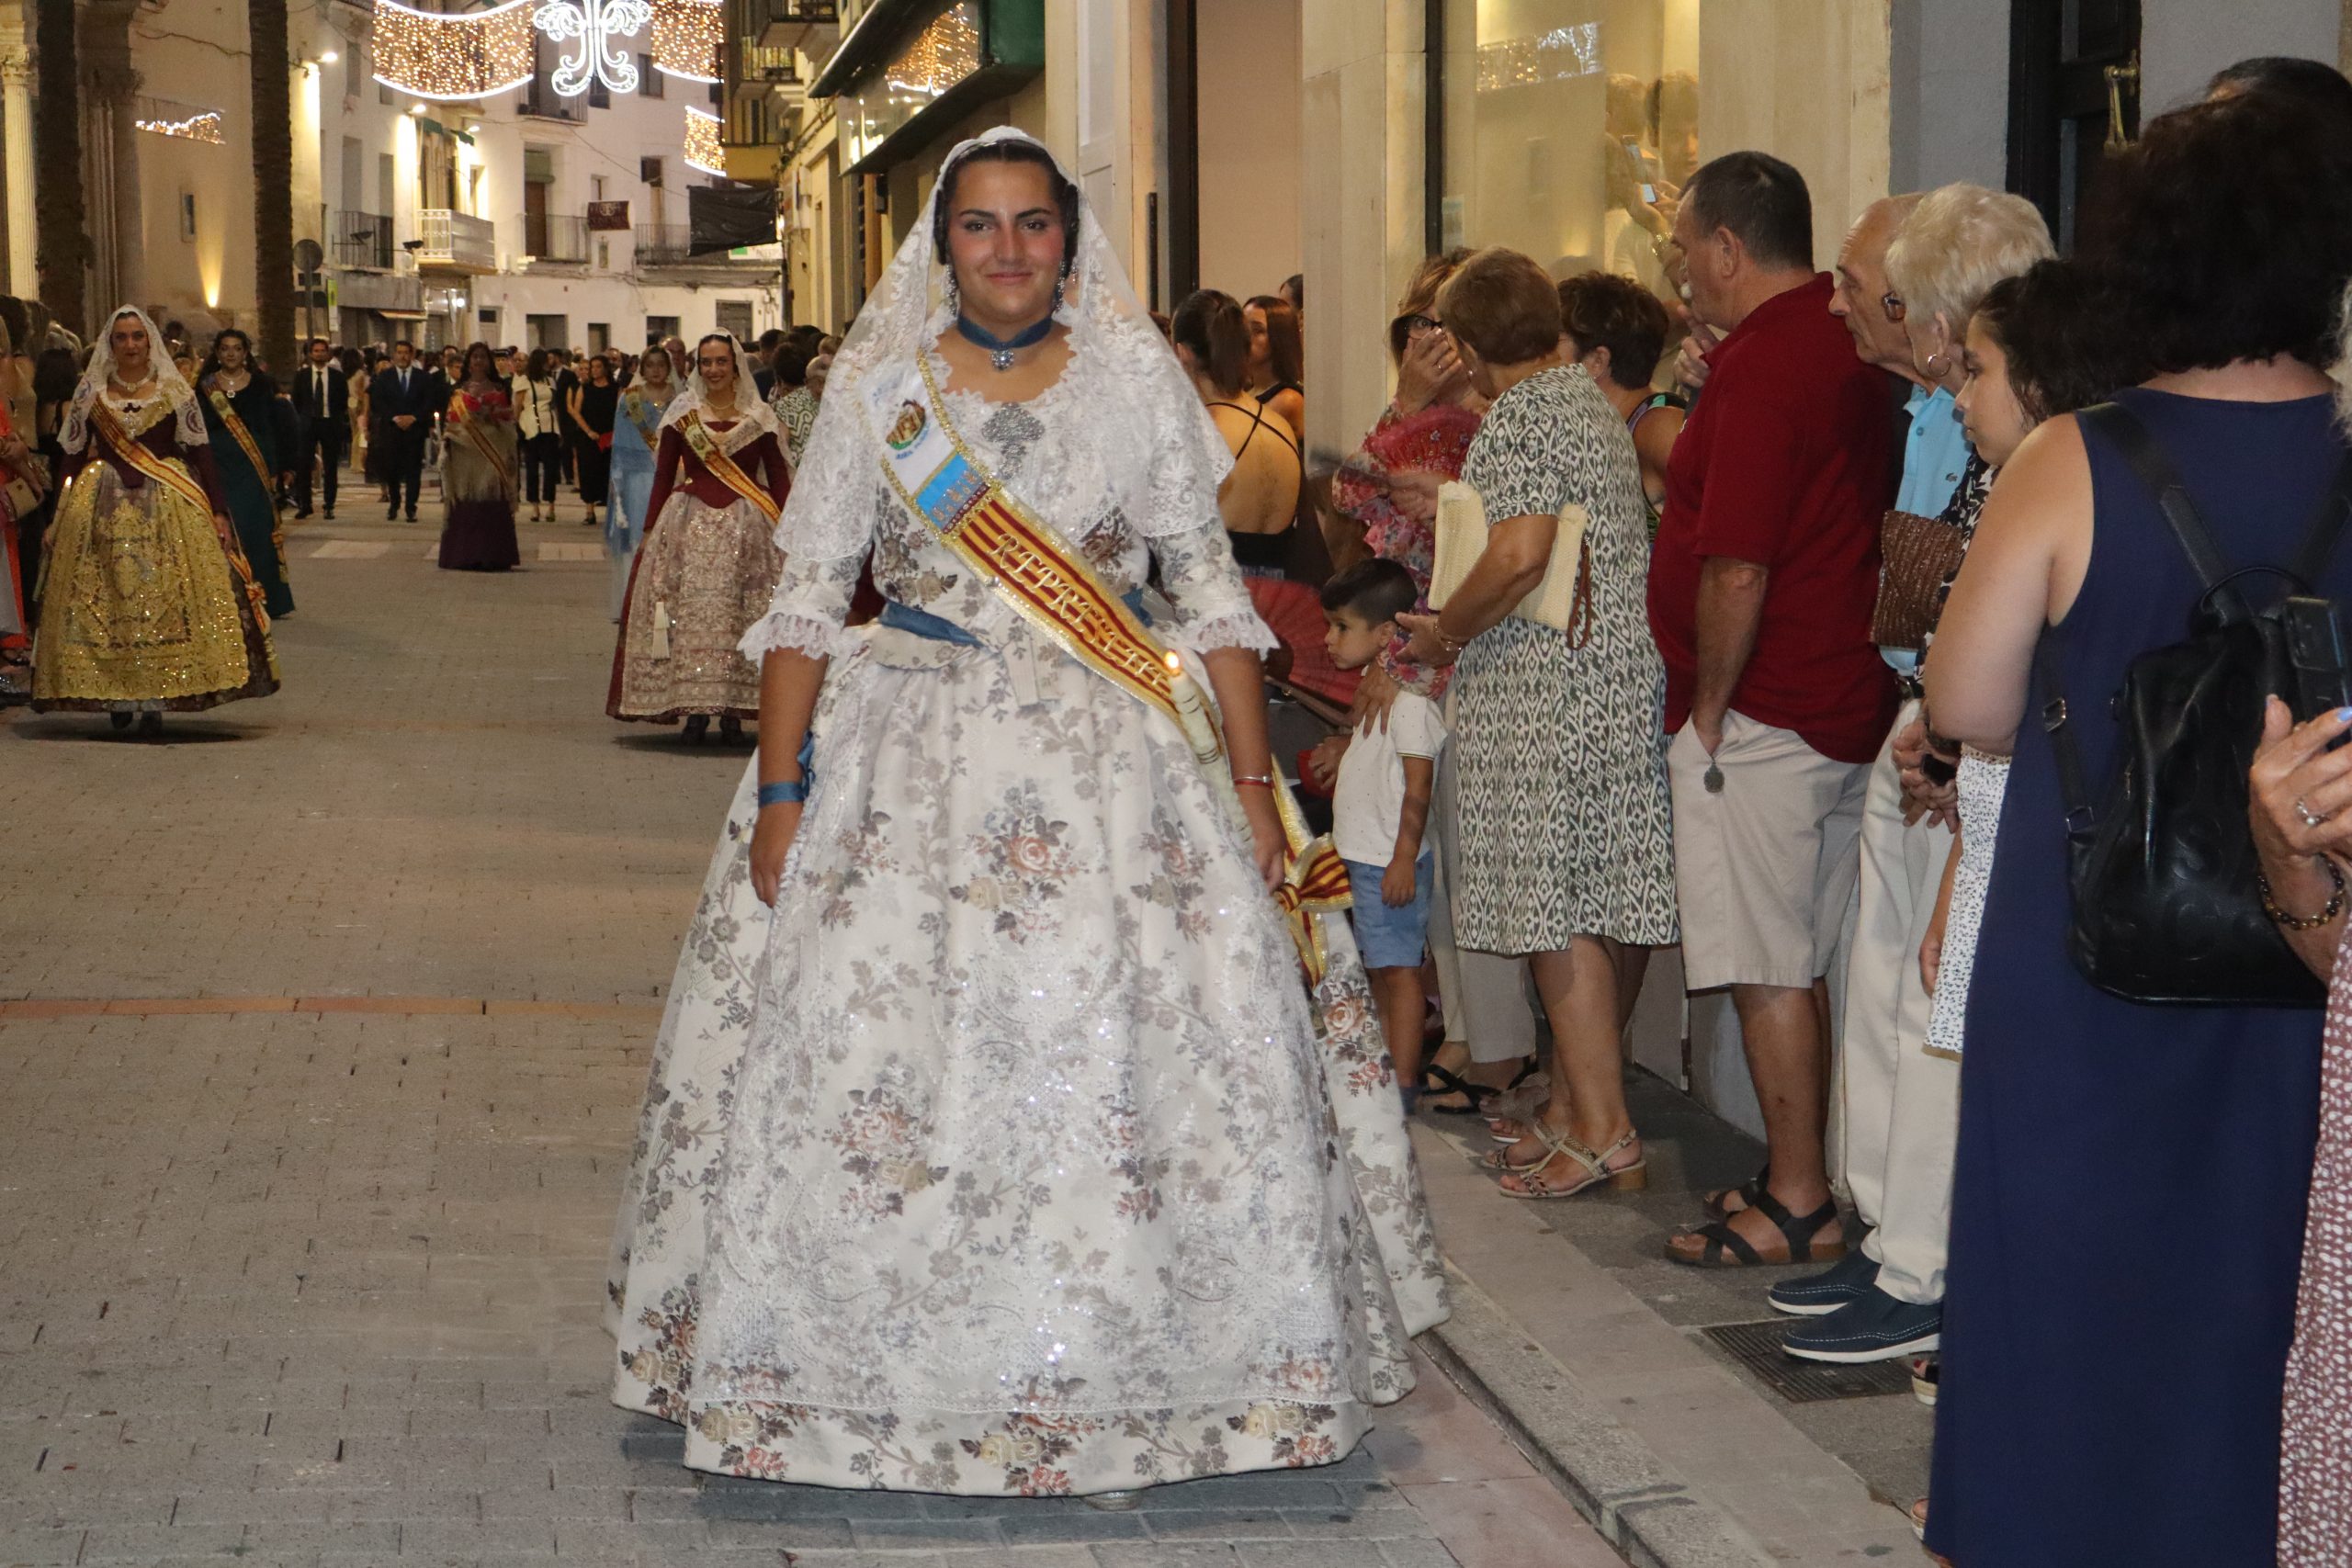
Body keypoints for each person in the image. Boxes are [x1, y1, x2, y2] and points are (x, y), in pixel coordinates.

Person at [605, 127, 1444, 1495]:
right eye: (981, 224)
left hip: (1117, 763)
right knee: (877, 1060)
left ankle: (1164, 1367)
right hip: (903, 759)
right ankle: (851, 1370)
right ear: (942, 243)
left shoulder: (1135, 381)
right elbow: (808, 599)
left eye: (1034, 223)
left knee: (1128, 1054)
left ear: (1069, 237)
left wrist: (1250, 788)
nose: (1009, 249)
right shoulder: (881, 390)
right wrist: (781, 788)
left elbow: (1210, 596)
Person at [1924, 95, 2352, 1566]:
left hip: (2089, 952)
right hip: (2317, 956)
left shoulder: (2074, 455)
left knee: (2064, 1286)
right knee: (2275, 1281)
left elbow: (1966, 703)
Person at [1770, 184, 2052, 1365]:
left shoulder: (2033, 439)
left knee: (1937, 1005)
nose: (1856, 308)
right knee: (1885, 992)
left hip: (1969, 748)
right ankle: (1888, 1237)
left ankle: (1925, 1269)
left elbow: (1996, 605)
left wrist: (1947, 731)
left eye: (1880, 294)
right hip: (1922, 723)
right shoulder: (1937, 413)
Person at [1648, 152, 1896, 1269]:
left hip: (1771, 708)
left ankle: (1797, 1198)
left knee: (1767, 964)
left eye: (1681, 246)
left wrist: (1709, 710)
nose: (1678, 268)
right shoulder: (1839, 340)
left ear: (1725, 247)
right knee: (1804, 951)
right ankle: (1813, 1174)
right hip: (1841, 692)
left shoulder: (1766, 362)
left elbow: (1737, 561)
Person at [1395, 244, 1677, 1199]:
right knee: (1588, 910)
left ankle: (1603, 1131)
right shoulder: (1583, 403)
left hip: (1545, 695)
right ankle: (1576, 1112)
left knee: (1553, 919)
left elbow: (1519, 555)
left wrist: (1444, 632)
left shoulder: (1519, 414)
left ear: (1473, 349)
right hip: (1603, 682)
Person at [1326, 249, 1533, 1115]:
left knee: (1459, 850)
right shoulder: (1416, 417)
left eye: (1442, 324)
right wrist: (1407, 406)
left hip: (1472, 650)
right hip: (1413, 648)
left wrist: (1408, 655)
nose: (1429, 340)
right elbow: (1352, 513)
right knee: (1421, 848)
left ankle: (1490, 1037)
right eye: (1417, 324)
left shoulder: (1501, 417)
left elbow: (1488, 549)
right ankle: (1459, 1025)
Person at [30, 307, 278, 734]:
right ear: (110, 344)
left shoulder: (174, 389)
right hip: (100, 507)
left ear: (150, 342)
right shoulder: (92, 391)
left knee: (163, 599)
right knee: (107, 603)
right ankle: (114, 694)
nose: (130, 344)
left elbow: (201, 452)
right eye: (121, 337)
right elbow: (70, 456)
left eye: (137, 337)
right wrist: (58, 516)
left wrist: (218, 510)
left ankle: (155, 702)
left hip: (167, 502)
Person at [605, 335, 786, 744]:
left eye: (721, 362)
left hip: (749, 530)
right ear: (697, 367)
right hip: (687, 526)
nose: (714, 370)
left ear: (735, 365)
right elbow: (664, 474)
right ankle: (693, 710)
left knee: (742, 615)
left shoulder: (759, 416)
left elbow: (777, 476)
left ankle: (733, 712)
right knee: (688, 617)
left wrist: (792, 531)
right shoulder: (682, 414)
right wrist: (648, 530)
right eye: (706, 362)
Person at [1322, 558, 1443, 1108]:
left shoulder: (1410, 706)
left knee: (1400, 974)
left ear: (1386, 634)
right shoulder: (1378, 697)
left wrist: (1402, 859)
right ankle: (1382, 1070)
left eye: (1341, 626)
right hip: (1367, 857)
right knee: (1381, 967)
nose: (1329, 639)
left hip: (1388, 861)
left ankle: (1402, 1083)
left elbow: (1419, 787)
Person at [1556, 271, 1684, 525]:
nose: (1538, 361)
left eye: (1550, 346)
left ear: (1596, 361)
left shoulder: (1658, 426)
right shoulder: (1600, 430)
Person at [197, 330, 296, 621]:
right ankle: (227, 598)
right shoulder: (204, 387)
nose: (231, 353)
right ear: (217, 353)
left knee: (255, 528)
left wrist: (276, 468)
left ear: (245, 353)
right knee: (225, 526)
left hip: (253, 465)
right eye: (225, 348)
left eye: (237, 348)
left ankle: (265, 598)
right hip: (217, 466)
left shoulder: (262, 384)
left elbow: (271, 428)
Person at [606, 341, 676, 621]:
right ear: (642, 369)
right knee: (638, 537)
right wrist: (617, 482)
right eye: (650, 365)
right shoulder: (630, 399)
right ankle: (633, 600)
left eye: (661, 365)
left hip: (672, 478)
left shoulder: (681, 399)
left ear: (668, 368)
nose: (656, 370)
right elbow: (620, 444)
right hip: (637, 479)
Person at [436, 342, 520, 572]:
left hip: (492, 454)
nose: (479, 361)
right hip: (465, 459)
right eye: (475, 357)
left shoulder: (500, 389)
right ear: (468, 362)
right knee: (468, 504)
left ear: (489, 362)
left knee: (491, 502)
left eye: (483, 357)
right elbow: (451, 422)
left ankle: (493, 556)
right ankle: (464, 555)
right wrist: (450, 439)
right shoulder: (458, 392)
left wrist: (492, 416)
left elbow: (509, 422)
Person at [369, 341, 439, 522]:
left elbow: (429, 402)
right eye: (399, 352)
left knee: (413, 471)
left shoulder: (422, 377)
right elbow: (378, 402)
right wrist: (395, 418)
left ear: (412, 355)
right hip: (392, 430)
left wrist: (413, 417)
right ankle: (394, 503)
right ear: (394, 355)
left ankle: (411, 507)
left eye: (406, 353)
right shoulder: (385, 377)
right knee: (392, 469)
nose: (403, 356)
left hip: (414, 430)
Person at [288, 339, 348, 521]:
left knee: (330, 466)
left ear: (328, 353)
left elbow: (342, 400)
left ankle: (329, 505)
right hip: (308, 424)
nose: (319, 353)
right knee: (304, 465)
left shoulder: (337, 376)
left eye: (323, 350)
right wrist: (304, 417)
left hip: (330, 423)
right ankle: (305, 505)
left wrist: (336, 418)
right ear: (310, 354)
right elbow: (297, 399)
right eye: (316, 351)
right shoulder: (302, 376)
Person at [1244, 293, 1306, 440]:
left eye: (1257, 331)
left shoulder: (1288, 399)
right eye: (1242, 329)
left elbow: (1242, 440)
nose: (1245, 337)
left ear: (1279, 338)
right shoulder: (1246, 390)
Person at [569, 353, 618, 528]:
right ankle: (589, 511)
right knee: (588, 473)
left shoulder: (615, 389)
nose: (595, 370)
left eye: (598, 367)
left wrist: (615, 433)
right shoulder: (585, 388)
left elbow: (620, 412)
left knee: (608, 474)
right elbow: (576, 412)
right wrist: (588, 430)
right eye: (592, 367)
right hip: (588, 437)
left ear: (605, 369)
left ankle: (611, 512)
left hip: (609, 437)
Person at [513, 347, 561, 523]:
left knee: (550, 468)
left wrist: (559, 428)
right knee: (532, 468)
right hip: (530, 427)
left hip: (550, 426)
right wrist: (516, 426)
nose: (549, 364)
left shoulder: (550, 381)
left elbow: (554, 404)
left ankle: (551, 505)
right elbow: (517, 406)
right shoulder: (523, 382)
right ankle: (535, 506)